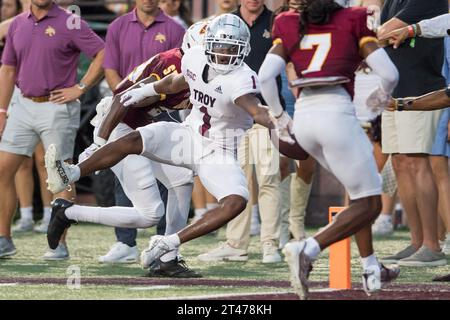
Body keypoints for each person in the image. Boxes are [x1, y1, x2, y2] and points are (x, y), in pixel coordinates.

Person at [44, 13, 281, 273]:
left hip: (196, 141)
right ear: (200, 46)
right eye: (214, 46)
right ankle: (71, 184)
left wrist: (278, 122)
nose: (220, 54)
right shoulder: (187, 59)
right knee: (149, 213)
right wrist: (98, 144)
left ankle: (167, 254)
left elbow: (241, 103)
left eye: (227, 48)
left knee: (181, 183)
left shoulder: (235, 76)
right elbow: (124, 99)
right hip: (121, 121)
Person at [258, 0, 400, 299]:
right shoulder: (354, 18)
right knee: (370, 203)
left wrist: (279, 116)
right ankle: (308, 248)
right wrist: (380, 97)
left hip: (305, 117)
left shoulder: (288, 21)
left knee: (361, 196)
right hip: (336, 112)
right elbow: (389, 74)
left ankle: (372, 267)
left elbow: (265, 77)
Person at [0, 0, 104, 259]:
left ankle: (58, 245)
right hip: (21, 104)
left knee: (59, 173)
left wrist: (80, 88)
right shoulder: (17, 24)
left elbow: (103, 54)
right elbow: (8, 68)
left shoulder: (71, 21)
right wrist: (2, 111)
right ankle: (4, 239)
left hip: (57, 107)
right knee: (3, 169)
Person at [197, 0, 283, 264]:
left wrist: (284, 111)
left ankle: (271, 244)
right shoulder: (222, 23)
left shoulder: (276, 22)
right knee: (237, 182)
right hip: (232, 116)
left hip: (266, 110)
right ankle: (236, 243)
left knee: (269, 178)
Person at [101, 0, 185, 264]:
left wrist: (151, 103)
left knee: (165, 173)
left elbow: (182, 72)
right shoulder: (117, 26)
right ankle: (125, 242)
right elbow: (110, 68)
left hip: (162, 110)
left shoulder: (174, 28)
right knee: (123, 172)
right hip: (125, 109)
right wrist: (125, 99)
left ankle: (161, 241)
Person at [377, 0, 448, 267]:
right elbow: (380, 34)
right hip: (395, 91)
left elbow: (381, 34)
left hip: (424, 89)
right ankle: (417, 241)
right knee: (400, 162)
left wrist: (380, 37)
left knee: (418, 163)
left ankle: (433, 244)